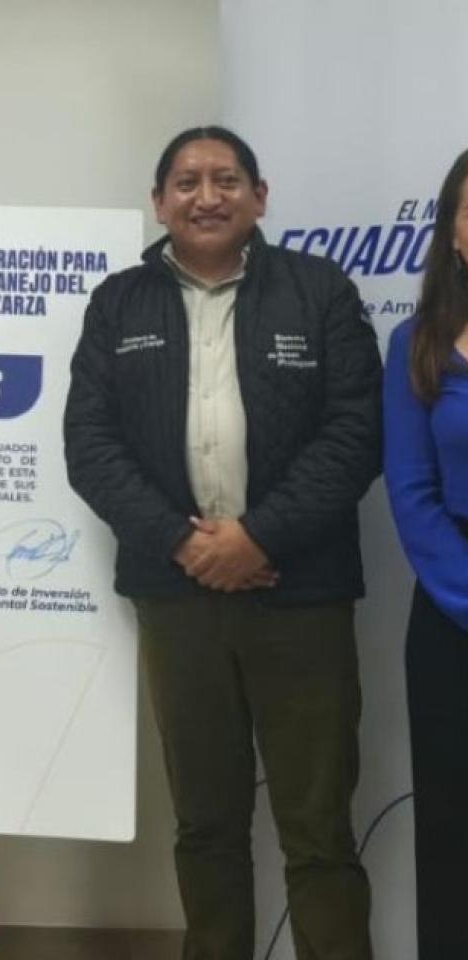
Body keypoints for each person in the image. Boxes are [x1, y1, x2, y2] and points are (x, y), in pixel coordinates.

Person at [64, 126, 381, 959]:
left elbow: (356, 434)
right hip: (177, 600)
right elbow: (90, 446)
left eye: (227, 179)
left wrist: (258, 536)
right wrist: (185, 544)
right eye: (187, 181)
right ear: (159, 201)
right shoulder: (118, 304)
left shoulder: (321, 291)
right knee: (205, 824)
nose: (207, 196)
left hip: (301, 596)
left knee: (318, 827)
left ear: (259, 197)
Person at [382, 148, 468, 960]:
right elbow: (412, 496)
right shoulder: (416, 344)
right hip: (449, 616)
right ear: (453, 231)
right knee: (451, 832)